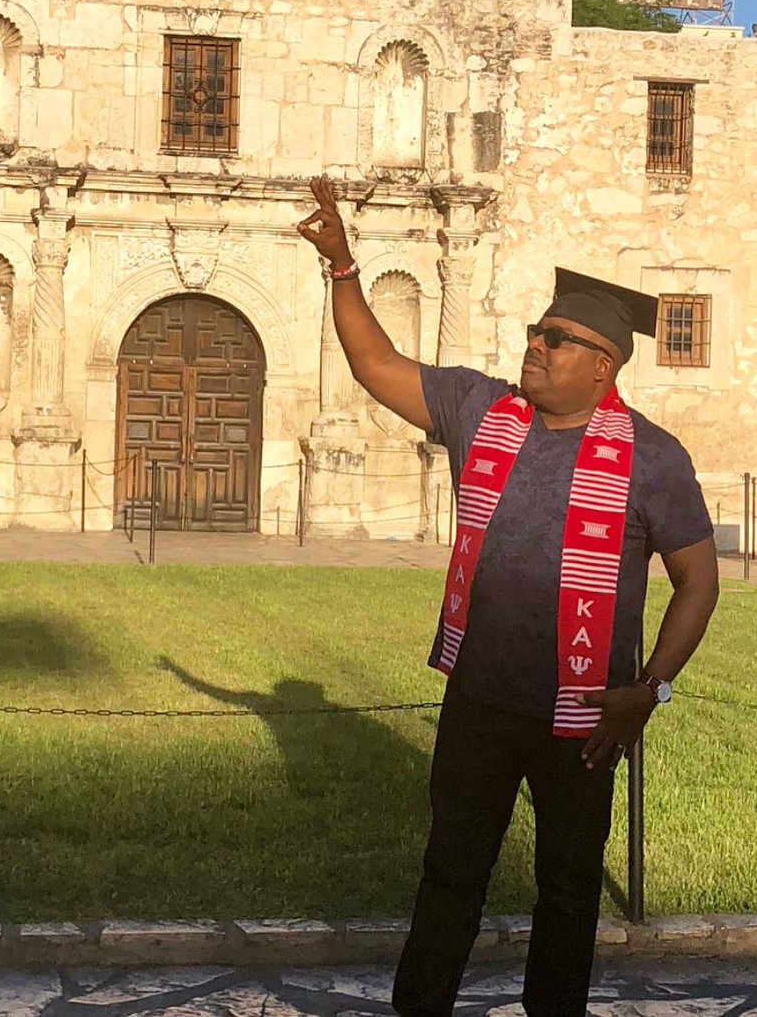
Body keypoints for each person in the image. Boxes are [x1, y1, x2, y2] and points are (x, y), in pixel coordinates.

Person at [296, 176, 719, 1017]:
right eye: (536, 329)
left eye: (557, 339)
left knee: (567, 888)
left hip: (585, 717)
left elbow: (698, 584)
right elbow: (376, 364)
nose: (536, 344)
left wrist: (649, 689)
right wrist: (344, 266)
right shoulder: (480, 408)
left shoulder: (653, 458)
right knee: (451, 868)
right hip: (481, 699)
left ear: (603, 366)